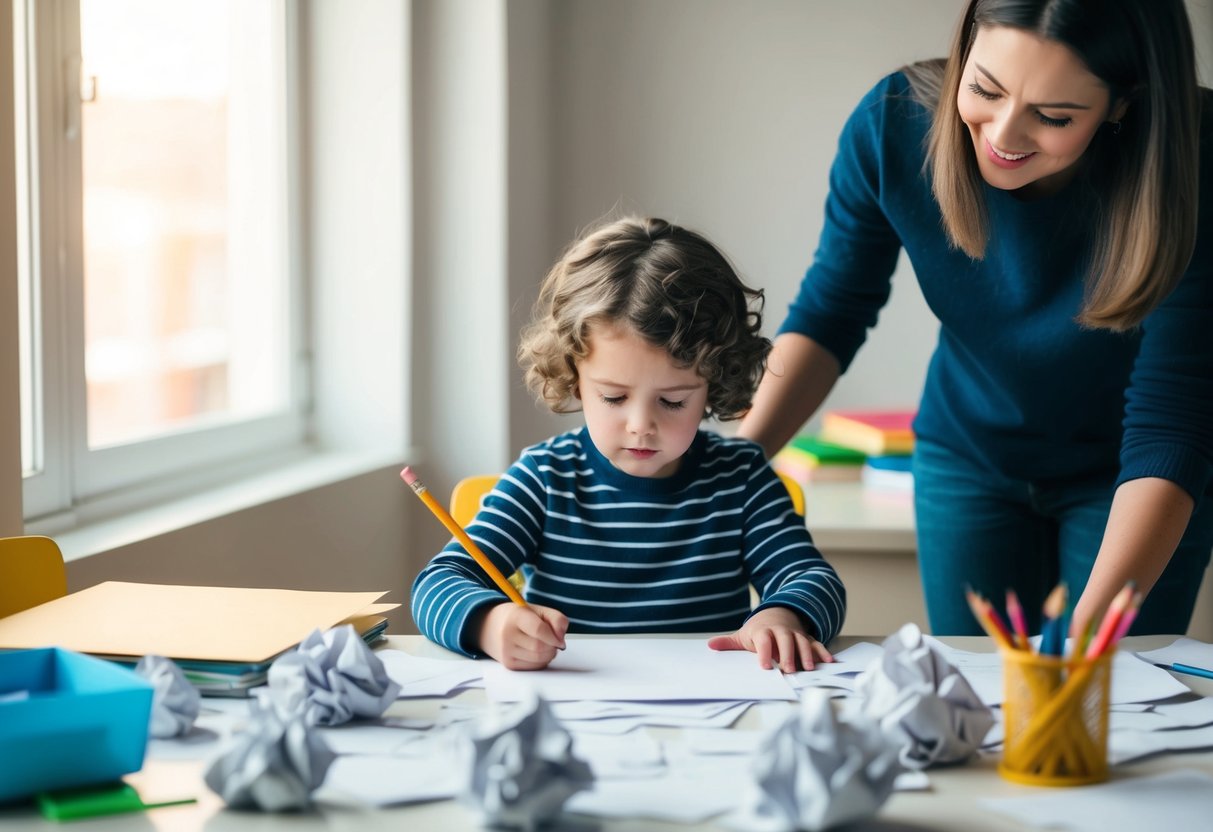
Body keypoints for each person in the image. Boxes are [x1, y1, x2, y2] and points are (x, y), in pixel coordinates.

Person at [738, 0, 1213, 637]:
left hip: (1136, 479)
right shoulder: (893, 125)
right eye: (985, 88)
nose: (1004, 135)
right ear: (965, 46)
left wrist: (1079, 647)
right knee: (976, 703)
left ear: (1124, 104)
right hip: (969, 459)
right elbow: (830, 312)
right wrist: (728, 468)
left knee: (1102, 701)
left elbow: (1174, 418)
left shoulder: (1198, 161)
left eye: (1053, 116)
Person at [411, 216, 846, 671]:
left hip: (709, 713)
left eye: (673, 401)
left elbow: (812, 578)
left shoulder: (742, 479)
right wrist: (490, 624)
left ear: (714, 382)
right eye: (614, 397)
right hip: (571, 717)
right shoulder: (545, 479)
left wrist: (783, 615)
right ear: (575, 377)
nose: (641, 425)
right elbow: (437, 583)